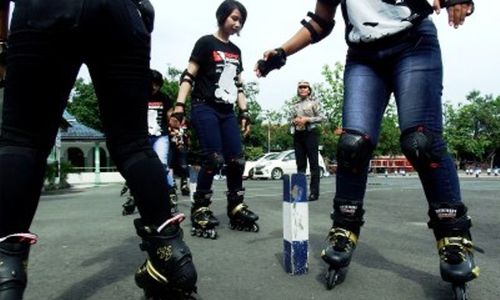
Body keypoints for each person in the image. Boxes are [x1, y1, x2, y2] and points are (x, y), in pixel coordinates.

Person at [255, 0, 481, 296]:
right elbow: (321, 22)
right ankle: (344, 227)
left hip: (414, 42)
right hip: (363, 56)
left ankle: (453, 234)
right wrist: (281, 52)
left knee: (421, 142)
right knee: (352, 144)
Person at [0, 1, 197, 299]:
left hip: (44, 9)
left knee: (22, 140)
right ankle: (174, 258)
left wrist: (3, 41)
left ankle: (6, 274)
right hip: (122, 12)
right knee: (134, 145)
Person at [172, 0, 258, 240]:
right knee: (213, 157)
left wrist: (245, 112)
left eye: (240, 20)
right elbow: (189, 75)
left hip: (227, 110)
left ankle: (235, 206)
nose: (237, 23)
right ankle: (200, 208)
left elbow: (239, 85)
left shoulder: (236, 51)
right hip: (204, 106)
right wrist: (179, 106)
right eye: (233, 18)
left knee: (236, 160)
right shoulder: (205, 43)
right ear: (222, 17)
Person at [290, 80, 325, 201]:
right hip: (298, 135)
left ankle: (314, 193)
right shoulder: (295, 105)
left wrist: (307, 119)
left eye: (305, 87)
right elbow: (291, 119)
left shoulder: (314, 103)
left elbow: (322, 117)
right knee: (300, 165)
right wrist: (294, 121)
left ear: (309, 90)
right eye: (300, 87)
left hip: (310, 134)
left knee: (314, 165)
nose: (302, 89)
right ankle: (298, 193)